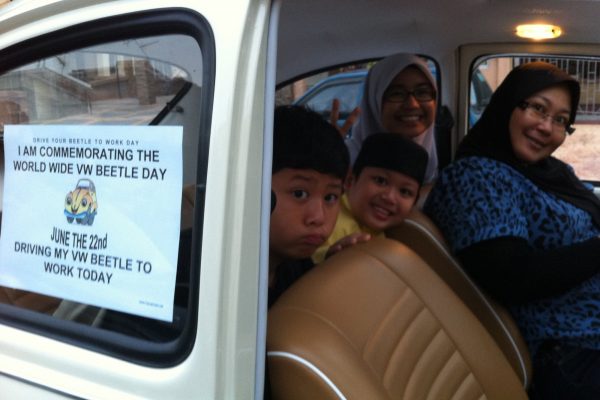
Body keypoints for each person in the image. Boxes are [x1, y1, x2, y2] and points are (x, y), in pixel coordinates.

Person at [423, 61, 600, 399]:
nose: (546, 127)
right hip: (568, 351)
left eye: (560, 120)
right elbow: (512, 276)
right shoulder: (476, 176)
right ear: (506, 104)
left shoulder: (550, 171)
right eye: (537, 108)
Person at [269, 105, 350, 307]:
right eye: (300, 194)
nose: (318, 217)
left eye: (330, 197)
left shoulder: (296, 265)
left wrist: (327, 269)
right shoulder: (202, 272)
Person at [312, 132, 428, 262]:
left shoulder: (391, 241)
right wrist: (327, 256)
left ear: (413, 204)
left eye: (405, 192)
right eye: (380, 181)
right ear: (350, 181)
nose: (390, 197)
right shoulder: (322, 216)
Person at [341, 53, 439, 183]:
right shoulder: (344, 162)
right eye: (397, 94)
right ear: (374, 101)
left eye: (422, 92)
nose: (412, 104)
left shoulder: (442, 162)